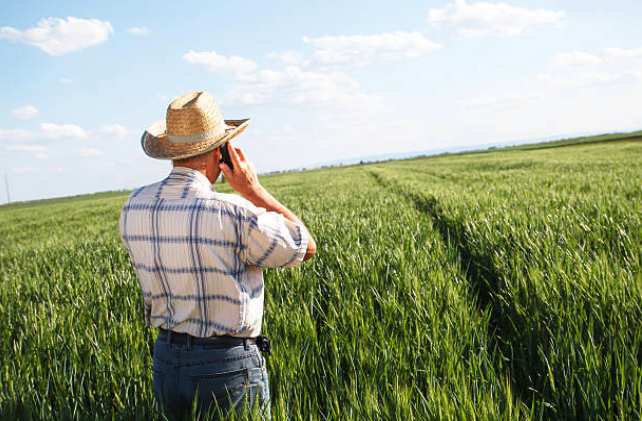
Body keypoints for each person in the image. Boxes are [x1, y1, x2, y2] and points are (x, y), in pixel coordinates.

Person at [119, 91, 316, 419]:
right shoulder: (233, 211)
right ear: (220, 151)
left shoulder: (134, 205)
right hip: (225, 367)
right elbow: (305, 245)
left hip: (165, 361)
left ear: (173, 151)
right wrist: (253, 190)